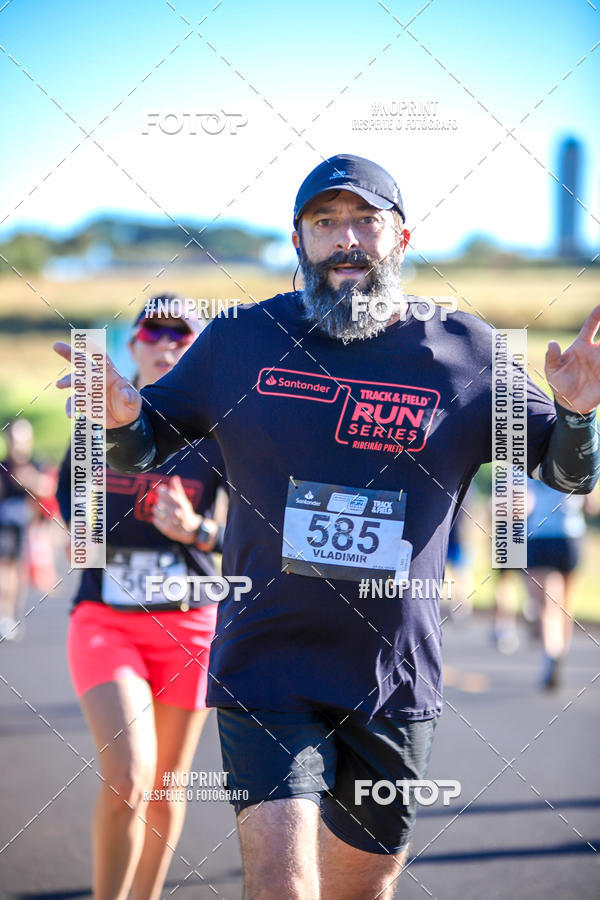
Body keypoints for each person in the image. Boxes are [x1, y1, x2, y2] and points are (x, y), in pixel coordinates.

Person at [55, 154, 600, 900]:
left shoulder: (466, 352)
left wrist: (576, 414)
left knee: (361, 892)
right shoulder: (240, 340)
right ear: (298, 240)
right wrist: (119, 421)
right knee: (280, 884)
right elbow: (148, 440)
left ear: (400, 240)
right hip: (265, 664)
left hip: (392, 678)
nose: (346, 240)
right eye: (325, 222)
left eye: (364, 221)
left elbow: (566, 474)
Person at [55, 296, 227, 900]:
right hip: (108, 620)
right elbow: (77, 526)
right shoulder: (93, 424)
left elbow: (256, 538)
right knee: (129, 775)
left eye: (183, 336)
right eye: (154, 330)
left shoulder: (218, 433)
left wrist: (196, 531)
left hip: (192, 624)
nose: (167, 343)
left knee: (165, 786)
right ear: (133, 345)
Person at [523, 476, 589, 689]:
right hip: (570, 534)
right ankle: (561, 652)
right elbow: (591, 506)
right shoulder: (579, 458)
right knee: (566, 604)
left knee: (546, 606)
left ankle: (551, 654)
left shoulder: (526, 459)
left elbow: (521, 504)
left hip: (540, 535)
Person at [0, 418, 55, 641]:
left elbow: (49, 488)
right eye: (14, 439)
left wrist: (30, 481)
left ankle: (10, 614)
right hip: (5, 526)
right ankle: (4, 614)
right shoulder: (3, 466)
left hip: (31, 529)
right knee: (6, 569)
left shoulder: (38, 463)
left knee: (21, 574)